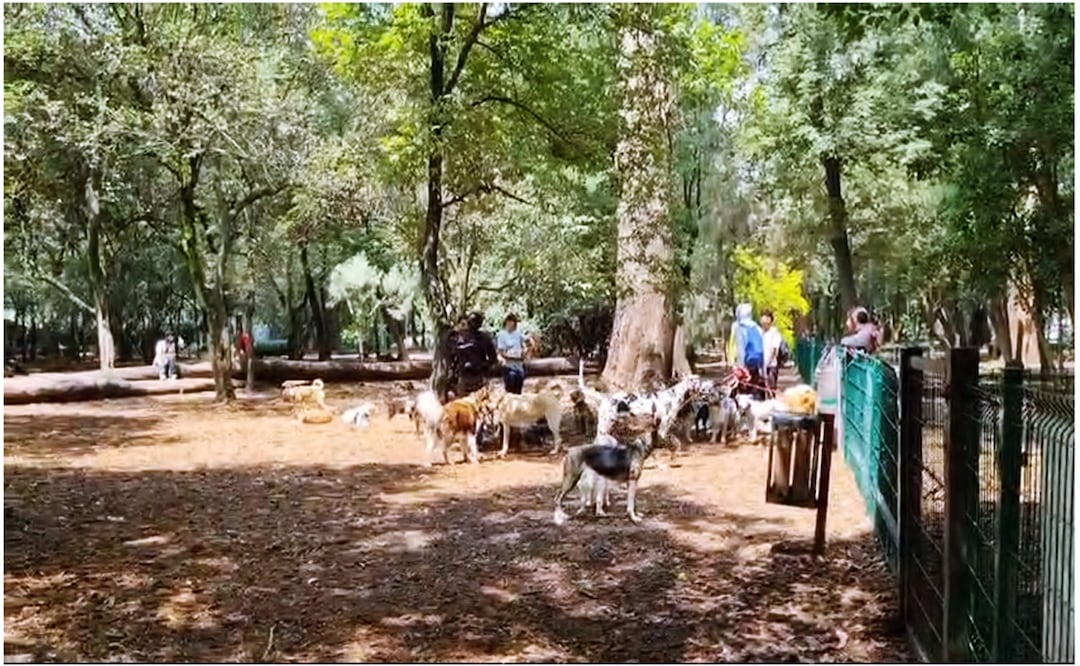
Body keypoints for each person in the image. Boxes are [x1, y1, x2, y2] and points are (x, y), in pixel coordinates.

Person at [446, 311, 497, 399]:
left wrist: (481, 367)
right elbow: (453, 358)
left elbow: (493, 359)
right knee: (463, 405)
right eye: (471, 321)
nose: (473, 324)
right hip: (463, 377)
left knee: (478, 406)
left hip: (478, 377)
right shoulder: (459, 337)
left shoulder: (485, 338)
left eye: (475, 321)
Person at [732, 303, 766, 399]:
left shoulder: (740, 329)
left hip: (746, 365)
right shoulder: (758, 328)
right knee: (756, 389)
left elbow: (741, 350)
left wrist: (739, 368)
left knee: (744, 394)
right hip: (757, 365)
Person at [496, 313, 528, 394]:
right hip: (508, 367)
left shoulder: (518, 334)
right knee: (510, 392)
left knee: (518, 392)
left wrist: (525, 351)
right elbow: (501, 352)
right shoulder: (502, 335)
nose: (512, 324)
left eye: (513, 323)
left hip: (519, 367)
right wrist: (512, 357)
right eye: (510, 322)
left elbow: (525, 344)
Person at [760, 309, 784, 393]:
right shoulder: (759, 332)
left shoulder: (775, 333)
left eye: (766, 318)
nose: (764, 320)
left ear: (770, 320)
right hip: (760, 366)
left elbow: (775, 351)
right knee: (760, 391)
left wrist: (768, 363)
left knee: (771, 389)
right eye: (762, 318)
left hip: (771, 366)